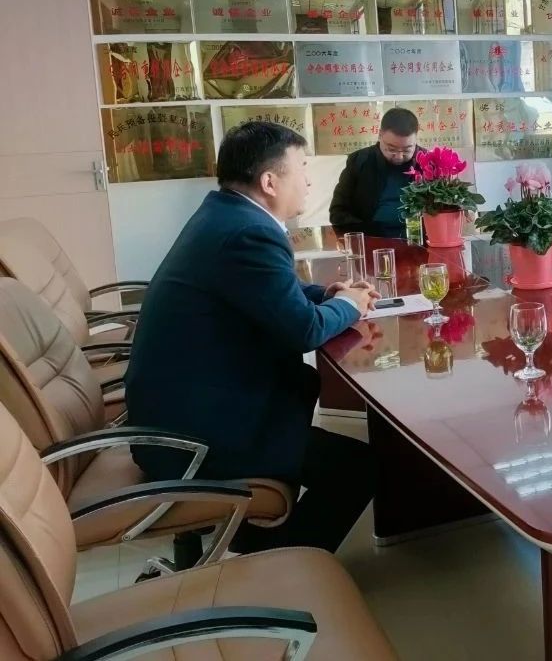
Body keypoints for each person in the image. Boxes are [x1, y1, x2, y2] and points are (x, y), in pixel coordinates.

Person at [126, 121, 379, 554]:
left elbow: (265, 290)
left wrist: (326, 295)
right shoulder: (249, 232)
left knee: (337, 456)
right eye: (302, 168)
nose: (308, 181)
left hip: (181, 410)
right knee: (357, 468)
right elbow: (304, 330)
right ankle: (279, 563)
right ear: (269, 181)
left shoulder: (225, 214)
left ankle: (255, 540)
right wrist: (351, 306)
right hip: (200, 434)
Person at [329, 107, 421, 238]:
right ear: (380, 135)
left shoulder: (428, 163)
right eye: (391, 149)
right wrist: (369, 235)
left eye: (407, 150)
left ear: (416, 139)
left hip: (418, 239)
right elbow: (338, 212)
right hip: (371, 239)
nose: (399, 156)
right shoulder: (359, 161)